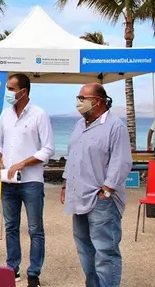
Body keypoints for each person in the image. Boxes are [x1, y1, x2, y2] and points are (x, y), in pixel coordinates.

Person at [60, 83, 133, 287]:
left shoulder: (115, 126)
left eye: (82, 98)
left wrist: (107, 190)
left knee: (105, 250)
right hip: (79, 195)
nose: (78, 102)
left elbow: (121, 162)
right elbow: (73, 157)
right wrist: (66, 184)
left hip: (102, 199)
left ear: (97, 101)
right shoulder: (79, 126)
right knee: (84, 246)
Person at [0, 74, 54, 287]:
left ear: (23, 91)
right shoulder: (4, 115)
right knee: (10, 226)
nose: (7, 92)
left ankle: (34, 273)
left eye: (10, 88)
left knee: (35, 228)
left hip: (31, 182)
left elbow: (48, 149)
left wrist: (22, 164)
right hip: (8, 182)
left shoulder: (39, 115)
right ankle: (12, 268)